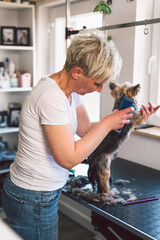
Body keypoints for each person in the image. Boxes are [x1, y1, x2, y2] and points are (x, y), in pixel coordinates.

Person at [2, 30, 159, 240]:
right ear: (77, 72)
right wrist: (106, 123)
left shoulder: (69, 93)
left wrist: (130, 119)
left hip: (40, 193)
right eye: (97, 83)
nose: (99, 90)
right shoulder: (51, 97)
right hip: (32, 196)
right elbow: (68, 158)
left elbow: (85, 129)